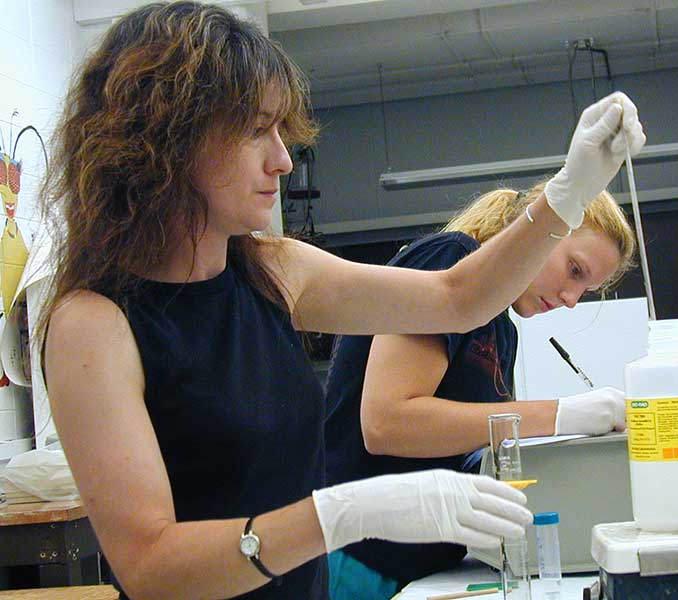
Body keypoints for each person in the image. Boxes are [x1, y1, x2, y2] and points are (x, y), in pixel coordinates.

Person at [38, 2, 645, 599]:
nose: (282, 158)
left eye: (280, 131)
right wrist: (342, 515)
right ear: (169, 138)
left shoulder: (273, 270)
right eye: (256, 130)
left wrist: (568, 195)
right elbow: (151, 567)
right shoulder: (93, 324)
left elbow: (456, 297)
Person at [324, 184, 636, 598]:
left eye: (586, 290)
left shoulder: (503, 329)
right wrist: (559, 414)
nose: (571, 298)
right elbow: (386, 422)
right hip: (360, 562)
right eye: (574, 270)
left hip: (427, 568)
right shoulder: (450, 261)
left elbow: (477, 441)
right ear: (541, 228)